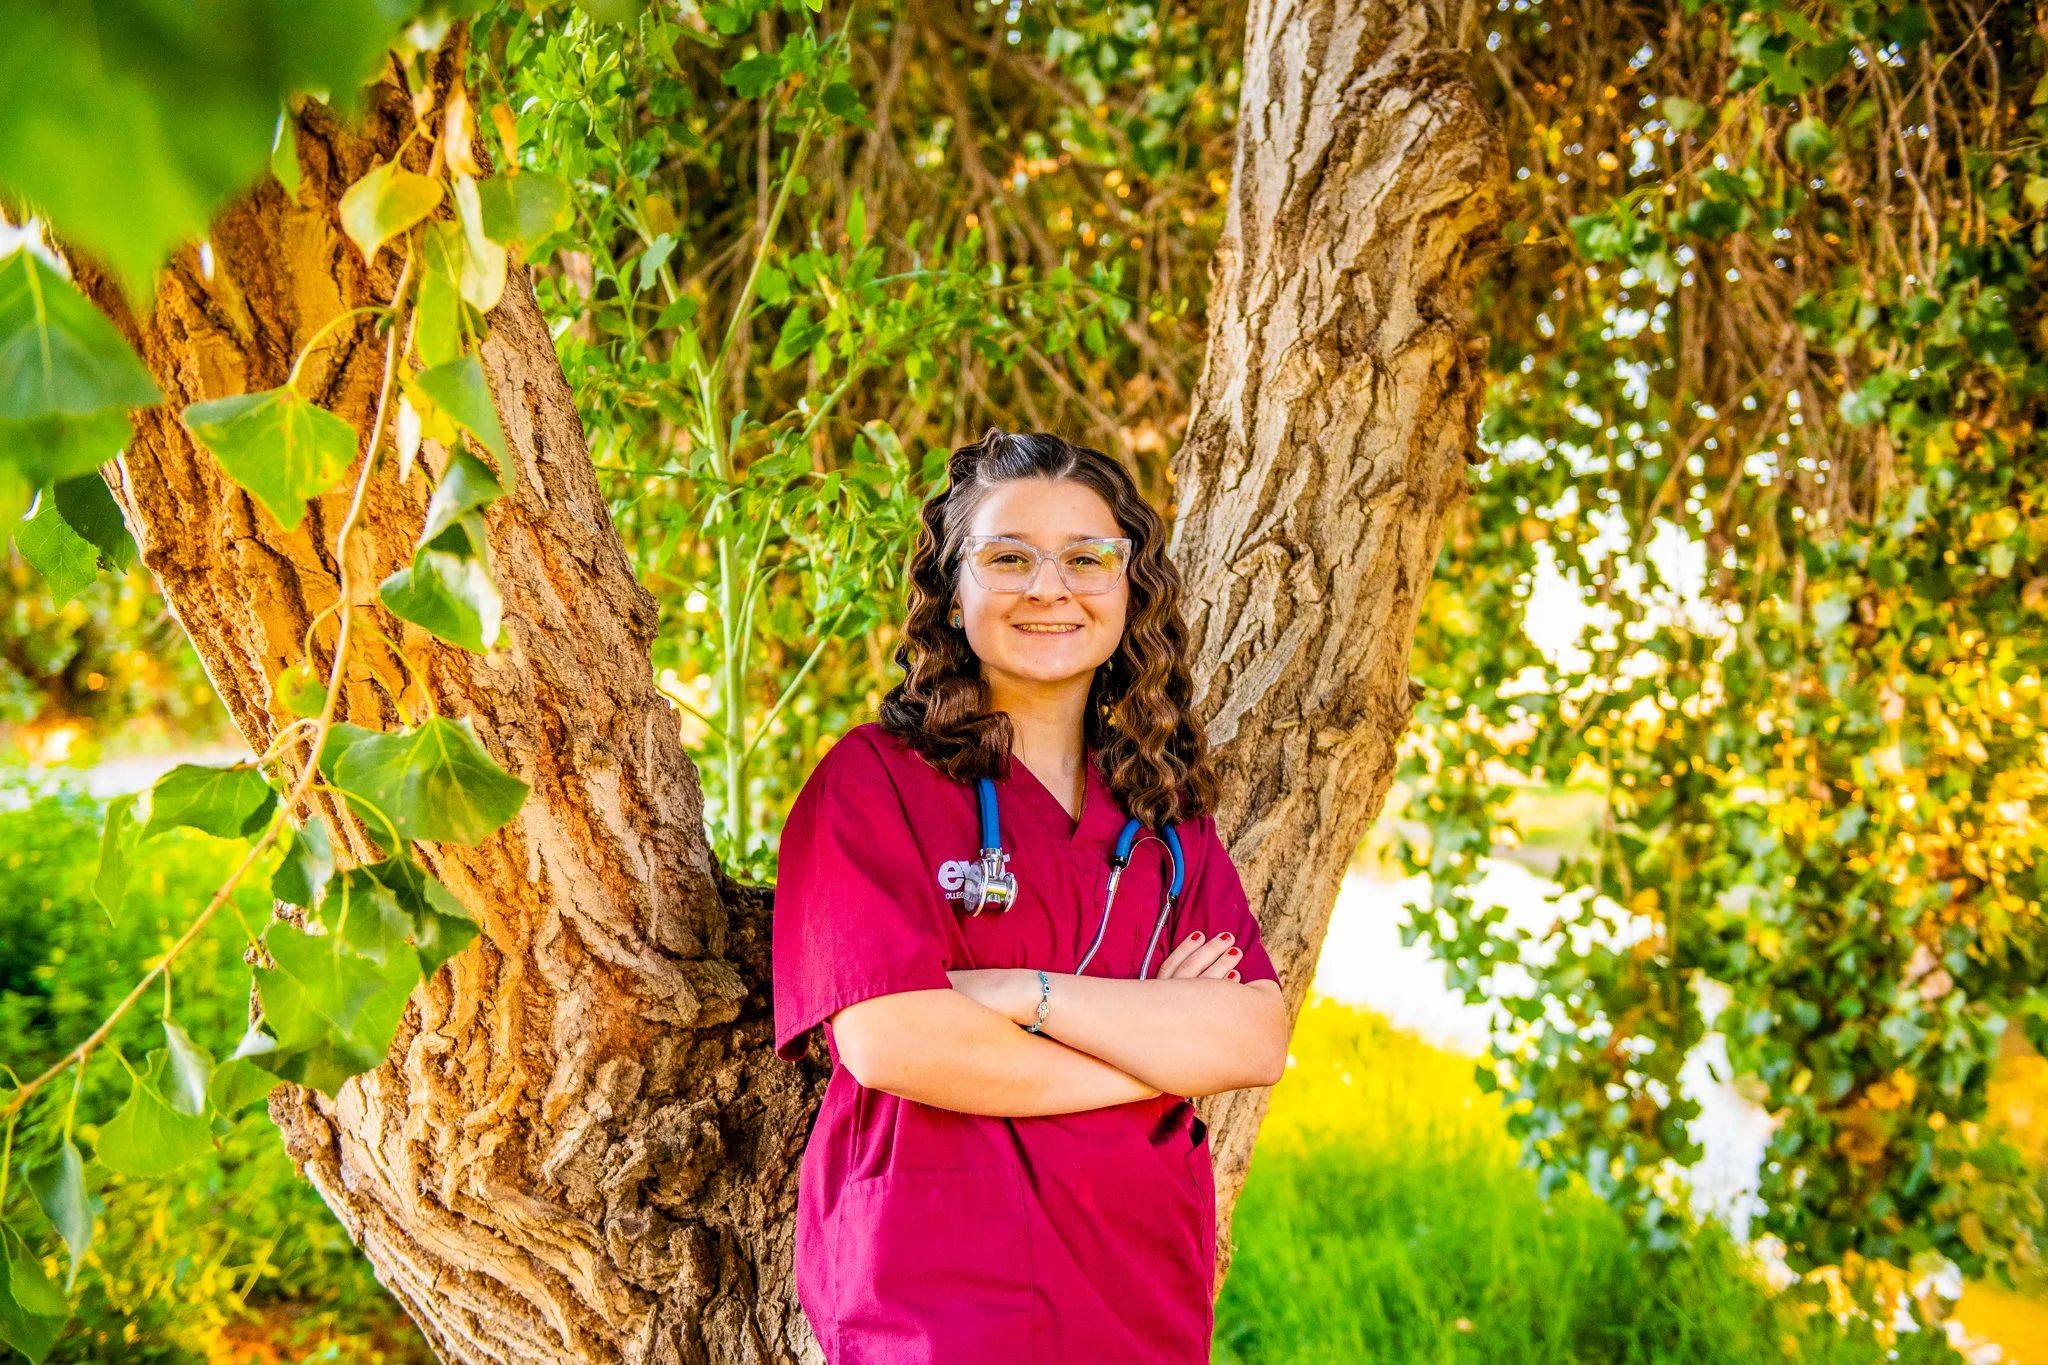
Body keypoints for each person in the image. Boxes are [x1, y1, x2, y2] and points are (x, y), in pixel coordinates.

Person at [771, 427, 1292, 1363]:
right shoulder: (873, 783)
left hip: (1139, 1288)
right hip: (936, 1297)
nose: (1049, 587)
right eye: (1008, 557)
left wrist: (1022, 996)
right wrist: (1156, 1051)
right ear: (953, 587)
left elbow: (1252, 1037)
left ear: (1131, 587)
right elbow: (893, 1039)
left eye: (1088, 558)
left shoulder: (1163, 811)